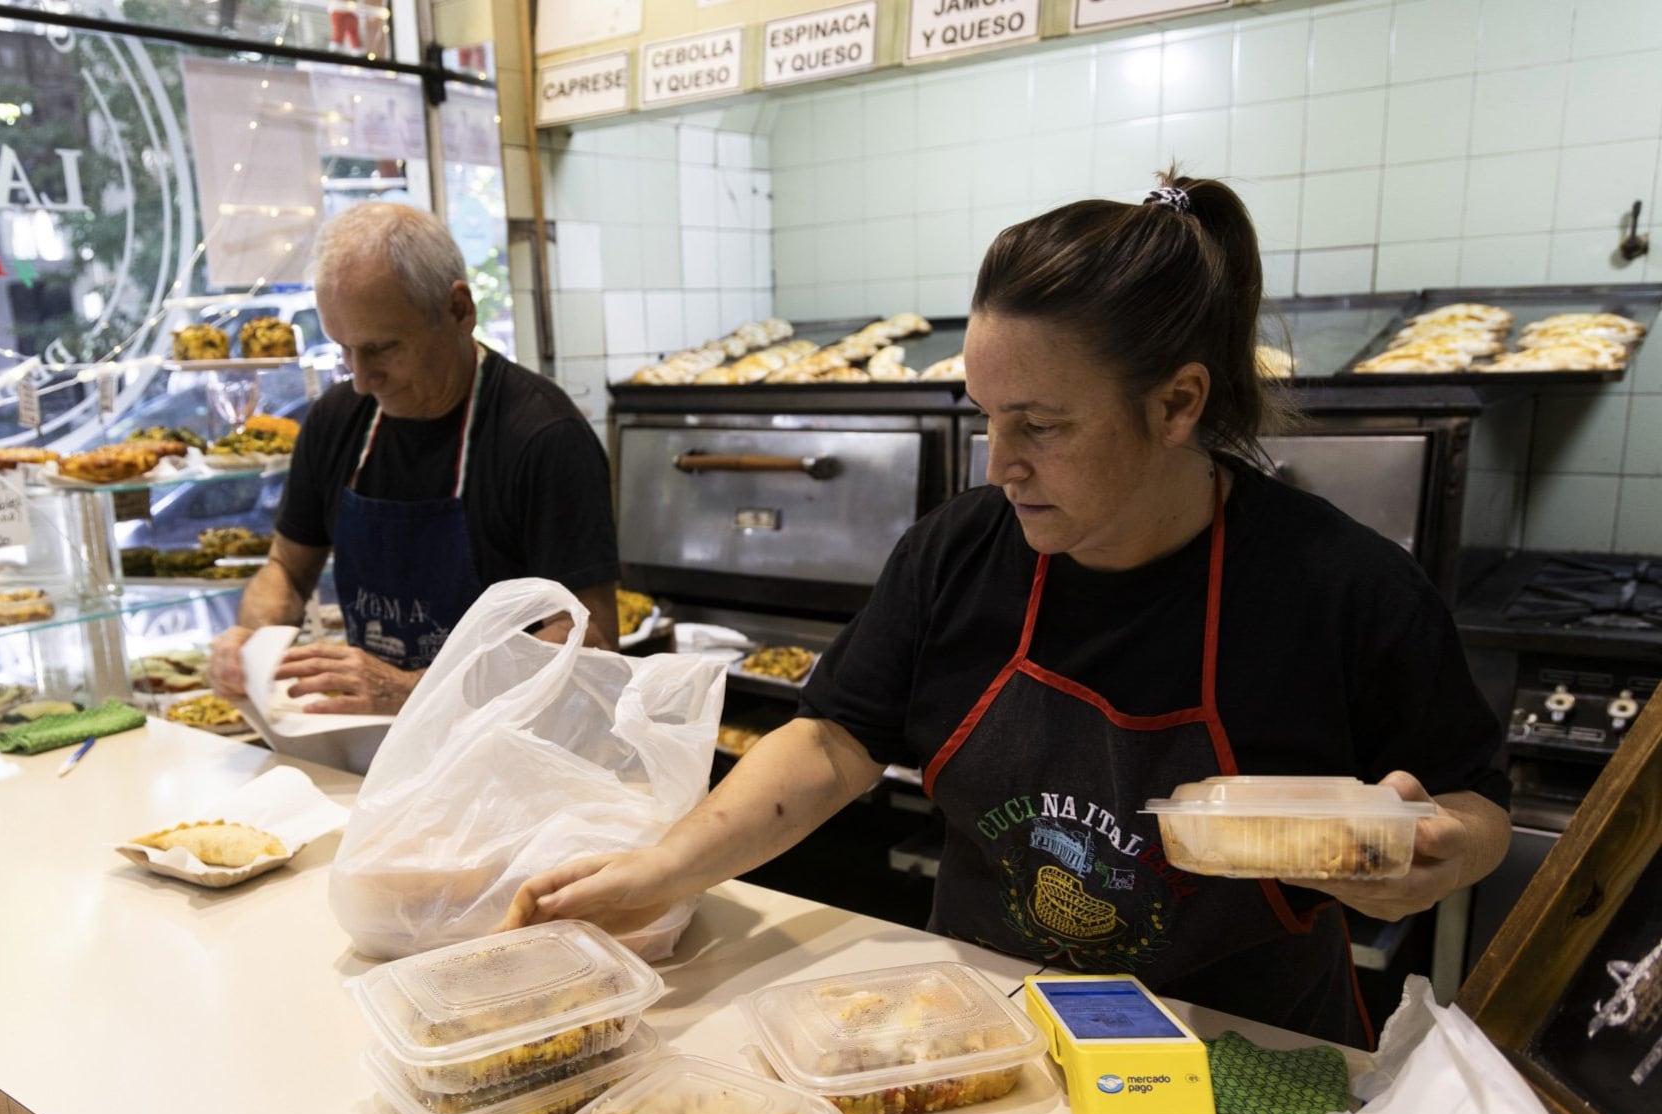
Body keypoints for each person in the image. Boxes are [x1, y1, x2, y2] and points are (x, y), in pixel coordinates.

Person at [506, 173, 1512, 1048]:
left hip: (1238, 1051)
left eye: (1040, 426)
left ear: (1177, 404)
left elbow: (1476, 809)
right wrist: (663, 867)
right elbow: (832, 741)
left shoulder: (1338, 588)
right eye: (987, 417)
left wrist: (1434, 855)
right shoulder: (958, 552)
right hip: (989, 1026)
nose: (1000, 466)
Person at [209, 203, 619, 714]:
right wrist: (253, 643)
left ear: (459, 310)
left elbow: (590, 639)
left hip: (512, 743)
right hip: (377, 741)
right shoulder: (337, 419)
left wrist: (410, 690)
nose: (361, 379)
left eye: (382, 348)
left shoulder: (543, 436)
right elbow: (287, 571)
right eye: (344, 350)